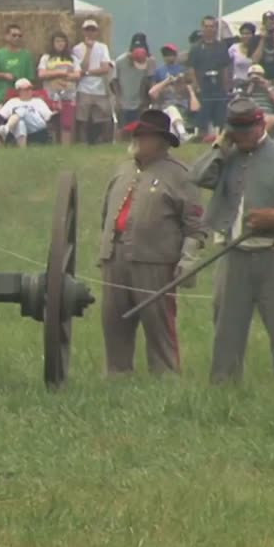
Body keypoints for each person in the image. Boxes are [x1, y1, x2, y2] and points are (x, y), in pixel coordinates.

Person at [190, 97, 274, 385]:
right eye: (236, 132)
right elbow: (197, 176)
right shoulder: (226, 156)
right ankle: (224, 385)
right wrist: (221, 146)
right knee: (227, 328)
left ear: (260, 126)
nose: (242, 138)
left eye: (246, 131)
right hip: (234, 255)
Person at [98, 108, 204, 374]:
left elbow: (195, 224)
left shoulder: (180, 175)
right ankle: (117, 375)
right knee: (114, 321)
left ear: (160, 140)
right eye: (136, 135)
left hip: (155, 261)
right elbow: (105, 214)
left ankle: (165, 377)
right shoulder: (121, 172)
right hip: (116, 257)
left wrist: (188, 259)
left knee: (159, 325)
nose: (136, 140)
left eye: (143, 136)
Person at [187, 16, 233, 142]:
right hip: (203, 86)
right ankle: (200, 135)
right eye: (206, 26)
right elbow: (191, 68)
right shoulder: (196, 47)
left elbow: (225, 67)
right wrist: (196, 85)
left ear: (215, 28)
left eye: (211, 26)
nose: (209, 29)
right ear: (202, 28)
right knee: (203, 112)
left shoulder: (221, 46)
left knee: (220, 113)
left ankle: (219, 136)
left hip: (218, 86)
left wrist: (226, 85)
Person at [72, 19, 115, 145]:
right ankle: (82, 142)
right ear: (83, 32)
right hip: (83, 88)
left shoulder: (102, 47)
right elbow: (80, 68)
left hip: (99, 87)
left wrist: (87, 73)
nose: (90, 33)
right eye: (87, 30)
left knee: (103, 117)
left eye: (92, 30)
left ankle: (103, 142)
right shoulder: (77, 49)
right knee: (83, 118)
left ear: (97, 32)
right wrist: (89, 50)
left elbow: (105, 68)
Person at [35, 31, 80, 145]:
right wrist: (60, 72)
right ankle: (53, 146)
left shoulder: (72, 59)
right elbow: (41, 74)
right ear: (52, 43)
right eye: (57, 41)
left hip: (68, 96)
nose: (60, 44)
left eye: (62, 41)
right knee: (51, 124)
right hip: (51, 96)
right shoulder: (46, 58)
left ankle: (65, 147)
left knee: (67, 124)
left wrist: (63, 75)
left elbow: (77, 74)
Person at [0, 24, 35, 106]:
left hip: (21, 98)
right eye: (14, 35)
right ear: (6, 36)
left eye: (19, 36)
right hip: (2, 97)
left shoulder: (26, 55)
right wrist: (3, 75)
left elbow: (30, 79)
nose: (17, 38)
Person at [0, 78, 53, 147]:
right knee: (20, 123)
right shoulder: (12, 102)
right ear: (19, 91)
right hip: (17, 127)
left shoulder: (38, 101)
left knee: (22, 110)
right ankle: (22, 150)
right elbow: (0, 116)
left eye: (30, 88)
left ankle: (6, 129)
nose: (29, 91)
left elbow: (48, 116)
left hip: (37, 126)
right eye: (26, 89)